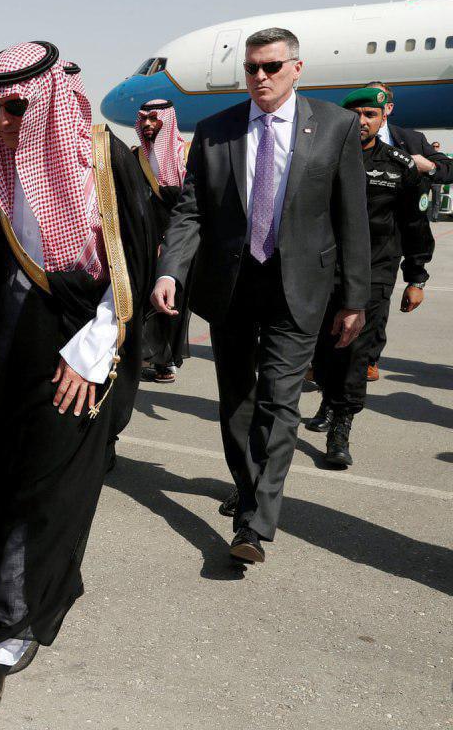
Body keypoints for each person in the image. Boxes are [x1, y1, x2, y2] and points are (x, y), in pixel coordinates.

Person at [0, 41, 156, 714]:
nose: (4, 122)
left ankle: (0, 644)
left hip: (77, 354)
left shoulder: (104, 160)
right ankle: (42, 580)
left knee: (46, 489)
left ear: (46, 101)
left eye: (16, 107)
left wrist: (91, 353)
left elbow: (128, 268)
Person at [151, 28, 369, 563]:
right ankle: (249, 490)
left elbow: (352, 217)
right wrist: (170, 270)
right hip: (231, 287)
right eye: (251, 68)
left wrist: (354, 298)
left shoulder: (334, 126)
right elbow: (191, 210)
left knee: (279, 400)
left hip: (300, 287)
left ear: (297, 68)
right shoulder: (216, 130)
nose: (260, 77)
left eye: (271, 66)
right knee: (237, 402)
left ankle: (253, 523)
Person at [304, 87, 433, 467]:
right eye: (355, 114)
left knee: (357, 349)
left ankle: (341, 427)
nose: (361, 121)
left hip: (375, 271)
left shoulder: (398, 166)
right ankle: (329, 399)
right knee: (323, 348)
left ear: (383, 118)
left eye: (370, 115)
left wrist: (416, 278)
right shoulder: (320, 156)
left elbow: (415, 225)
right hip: (324, 269)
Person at [358, 81, 452, 381]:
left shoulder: (410, 140)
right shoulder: (347, 138)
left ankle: (368, 359)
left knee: (376, 303)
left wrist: (428, 168)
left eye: (375, 108)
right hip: (346, 239)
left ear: (388, 109)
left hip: (389, 239)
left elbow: (447, 169)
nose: (365, 117)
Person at [132, 99, 191, 384]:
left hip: (177, 242)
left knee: (172, 301)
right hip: (145, 240)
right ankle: (150, 358)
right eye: (144, 118)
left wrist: (168, 242)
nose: (147, 124)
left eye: (154, 118)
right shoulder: (137, 157)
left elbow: (190, 207)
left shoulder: (186, 156)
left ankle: (165, 362)